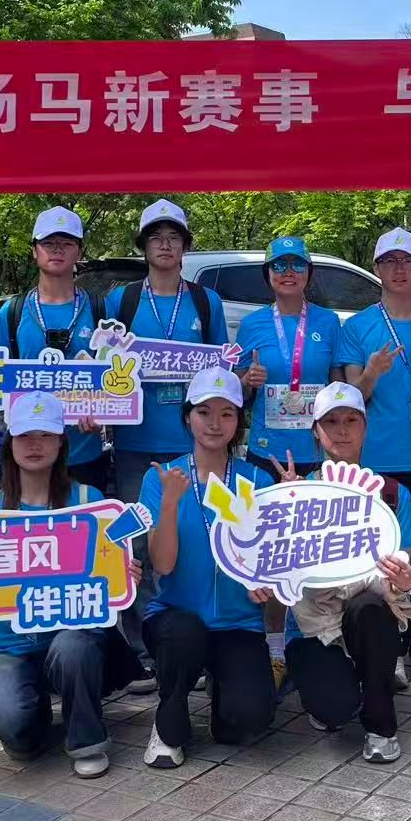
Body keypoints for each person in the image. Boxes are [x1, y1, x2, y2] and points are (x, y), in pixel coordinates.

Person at [0, 391, 134, 778]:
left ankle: (87, 739)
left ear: (62, 443)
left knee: (74, 647)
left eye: (46, 435)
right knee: (10, 722)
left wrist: (124, 574)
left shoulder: (88, 500)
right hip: (10, 646)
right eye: (25, 435)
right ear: (9, 443)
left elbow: (110, 572)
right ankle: (34, 715)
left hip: (72, 636)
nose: (35, 445)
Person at [105, 200, 230, 687]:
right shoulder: (122, 301)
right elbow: (102, 368)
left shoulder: (205, 301)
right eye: (156, 237)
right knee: (135, 544)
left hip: (193, 444)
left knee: (193, 538)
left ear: (184, 246)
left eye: (173, 237)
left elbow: (221, 367)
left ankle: (192, 643)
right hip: (136, 444)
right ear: (143, 246)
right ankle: (143, 648)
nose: (164, 244)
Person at [138, 366, 275, 768]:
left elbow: (269, 563)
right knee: (184, 634)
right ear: (187, 417)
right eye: (204, 412)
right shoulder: (162, 478)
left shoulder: (258, 480)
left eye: (227, 413)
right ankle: (167, 718)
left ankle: (223, 688)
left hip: (238, 623)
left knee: (247, 722)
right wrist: (168, 503)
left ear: (239, 421)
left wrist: (264, 583)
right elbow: (163, 565)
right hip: (175, 619)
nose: (215, 423)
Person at [340, 227, 411, 692]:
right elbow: (352, 399)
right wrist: (371, 372)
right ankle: (388, 650)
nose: (399, 269)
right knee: (381, 560)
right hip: (376, 464)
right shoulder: (357, 328)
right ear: (377, 269)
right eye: (389, 261)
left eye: (408, 261)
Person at [283, 383, 411, 764]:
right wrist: (289, 510)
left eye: (351, 420)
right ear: (315, 430)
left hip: (367, 617)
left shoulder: (393, 494)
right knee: (334, 710)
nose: (342, 430)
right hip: (312, 628)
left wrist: (405, 581)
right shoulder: (293, 492)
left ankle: (381, 725)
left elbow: (400, 573)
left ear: (365, 426)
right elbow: (281, 574)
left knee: (372, 608)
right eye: (330, 422)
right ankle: (336, 686)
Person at [233, 235, 343, 682]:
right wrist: (247, 381)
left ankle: (313, 644)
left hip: (316, 457)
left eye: (297, 264)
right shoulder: (252, 325)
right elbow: (235, 397)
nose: (289, 273)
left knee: (315, 555)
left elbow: (339, 389)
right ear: (268, 276)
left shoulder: (329, 323)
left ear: (309, 274)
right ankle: (275, 650)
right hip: (266, 456)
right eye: (279, 266)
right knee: (273, 557)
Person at [0, 207, 107, 488]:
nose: (57, 250)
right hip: (26, 456)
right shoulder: (13, 311)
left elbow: (115, 377)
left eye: (67, 243)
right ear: (34, 250)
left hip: (83, 452)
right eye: (48, 243)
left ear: (79, 251)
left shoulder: (100, 308)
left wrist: (105, 415)